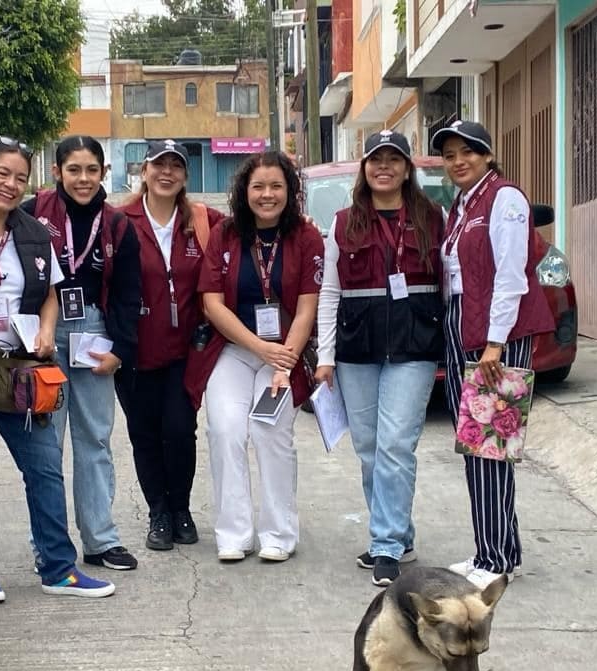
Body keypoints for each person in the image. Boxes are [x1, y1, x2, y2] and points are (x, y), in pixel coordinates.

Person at [0, 136, 115, 601]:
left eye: (20, 177)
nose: (10, 184)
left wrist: (46, 330)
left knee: (43, 466)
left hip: (18, 367)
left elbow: (50, 293)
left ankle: (58, 568)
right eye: (1, 173)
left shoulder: (35, 232)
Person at [314, 131, 445, 588]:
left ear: (407, 169)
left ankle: (386, 544)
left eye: (394, 159)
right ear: (364, 168)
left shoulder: (433, 218)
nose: (384, 167)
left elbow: (452, 283)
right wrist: (325, 356)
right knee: (369, 449)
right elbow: (329, 292)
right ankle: (400, 534)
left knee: (395, 445)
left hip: (414, 347)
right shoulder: (343, 223)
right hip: (357, 350)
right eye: (376, 159)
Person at [430, 120, 555, 589]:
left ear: (487, 155)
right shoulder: (463, 204)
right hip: (463, 325)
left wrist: (496, 342)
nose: (458, 161)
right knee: (478, 446)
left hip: (494, 335)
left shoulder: (505, 199)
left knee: (489, 447)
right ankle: (501, 550)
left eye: (468, 152)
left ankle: (494, 560)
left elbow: (511, 276)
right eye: (450, 155)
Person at [186, 150, 324, 563]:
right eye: (258, 186)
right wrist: (258, 346)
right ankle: (234, 533)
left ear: (290, 191)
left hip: (284, 353)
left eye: (276, 186)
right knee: (225, 429)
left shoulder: (306, 236)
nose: (267, 195)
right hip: (234, 349)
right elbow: (212, 304)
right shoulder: (226, 234)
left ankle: (279, 532)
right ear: (244, 191)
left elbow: (307, 308)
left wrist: (284, 361)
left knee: (269, 429)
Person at [21, 136, 142, 571]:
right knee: (45, 443)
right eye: (74, 169)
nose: (84, 179)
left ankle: (100, 539)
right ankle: (49, 543)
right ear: (57, 171)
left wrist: (120, 350)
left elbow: (129, 293)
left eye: (92, 170)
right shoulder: (31, 214)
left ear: (104, 172)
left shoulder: (117, 225)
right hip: (43, 332)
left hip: (93, 331)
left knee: (94, 438)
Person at [116, 140, 223, 550]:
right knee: (144, 434)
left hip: (186, 349)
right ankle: (158, 513)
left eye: (175, 166)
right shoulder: (120, 221)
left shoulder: (203, 220)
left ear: (185, 176)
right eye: (158, 164)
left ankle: (181, 509)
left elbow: (248, 232)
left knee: (179, 430)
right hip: (135, 349)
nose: (166, 172)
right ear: (144, 172)